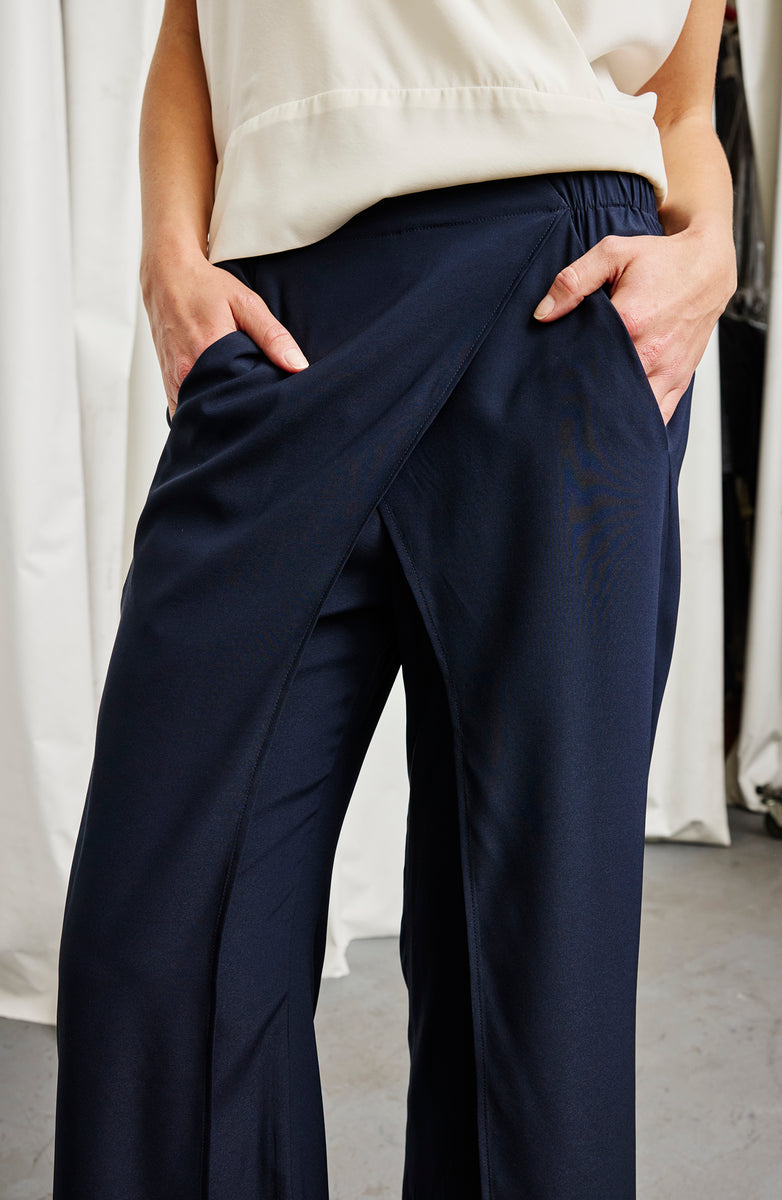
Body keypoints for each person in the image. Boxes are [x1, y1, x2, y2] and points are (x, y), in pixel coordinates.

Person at [53, 0, 737, 1197]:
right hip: (280, 333)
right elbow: (188, 31)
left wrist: (712, 248)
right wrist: (170, 259)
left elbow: (682, 100)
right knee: (157, 946)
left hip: (565, 311)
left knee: (534, 992)